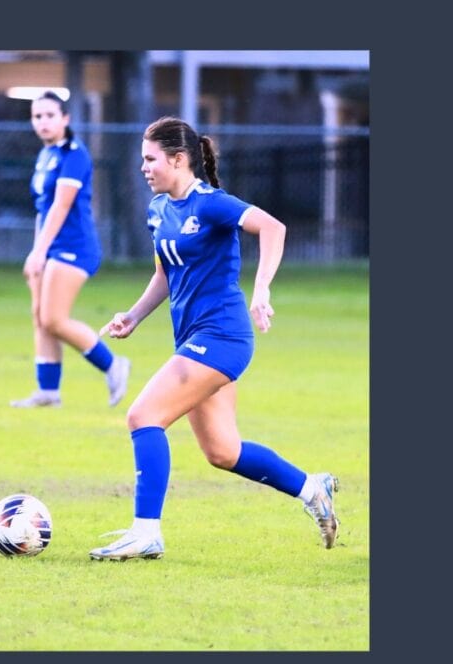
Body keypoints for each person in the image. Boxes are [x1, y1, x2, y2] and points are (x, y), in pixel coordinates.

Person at [89, 116, 338, 561]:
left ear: (179, 159)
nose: (143, 168)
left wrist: (261, 289)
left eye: (151, 159)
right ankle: (310, 488)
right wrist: (134, 315)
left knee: (143, 415)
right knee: (223, 451)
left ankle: (147, 532)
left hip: (222, 336)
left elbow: (273, 228)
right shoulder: (159, 210)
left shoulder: (210, 204)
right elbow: (166, 273)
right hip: (193, 338)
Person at [11, 91, 129, 408]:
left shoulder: (74, 155)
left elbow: (62, 207)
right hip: (49, 246)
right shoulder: (45, 155)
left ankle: (113, 364)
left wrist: (40, 251)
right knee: (39, 317)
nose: (43, 122)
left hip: (75, 247)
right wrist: (36, 251)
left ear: (65, 119)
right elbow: (43, 210)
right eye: (37, 116)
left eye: (50, 115)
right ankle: (48, 391)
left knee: (53, 319)